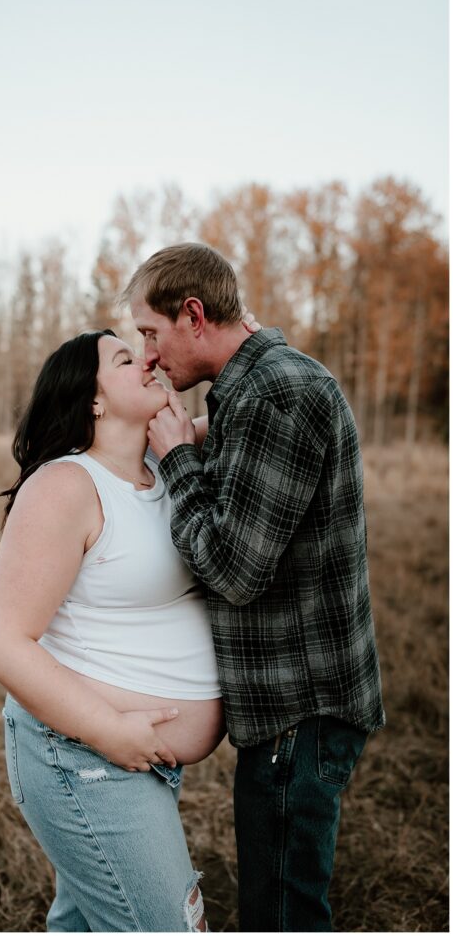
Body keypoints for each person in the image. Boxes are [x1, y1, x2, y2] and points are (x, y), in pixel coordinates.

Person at [117, 242, 386, 933]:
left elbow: (233, 571)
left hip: (298, 709)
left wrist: (178, 457)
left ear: (194, 315)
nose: (148, 355)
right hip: (291, 709)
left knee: (281, 914)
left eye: (151, 332)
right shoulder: (255, 388)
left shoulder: (275, 393)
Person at [0, 326, 258, 931]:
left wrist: (247, 339)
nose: (148, 361)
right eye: (127, 359)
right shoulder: (66, 486)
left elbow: (248, 410)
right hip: (85, 753)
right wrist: (110, 731)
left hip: (133, 756)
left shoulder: (163, 464)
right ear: (94, 400)